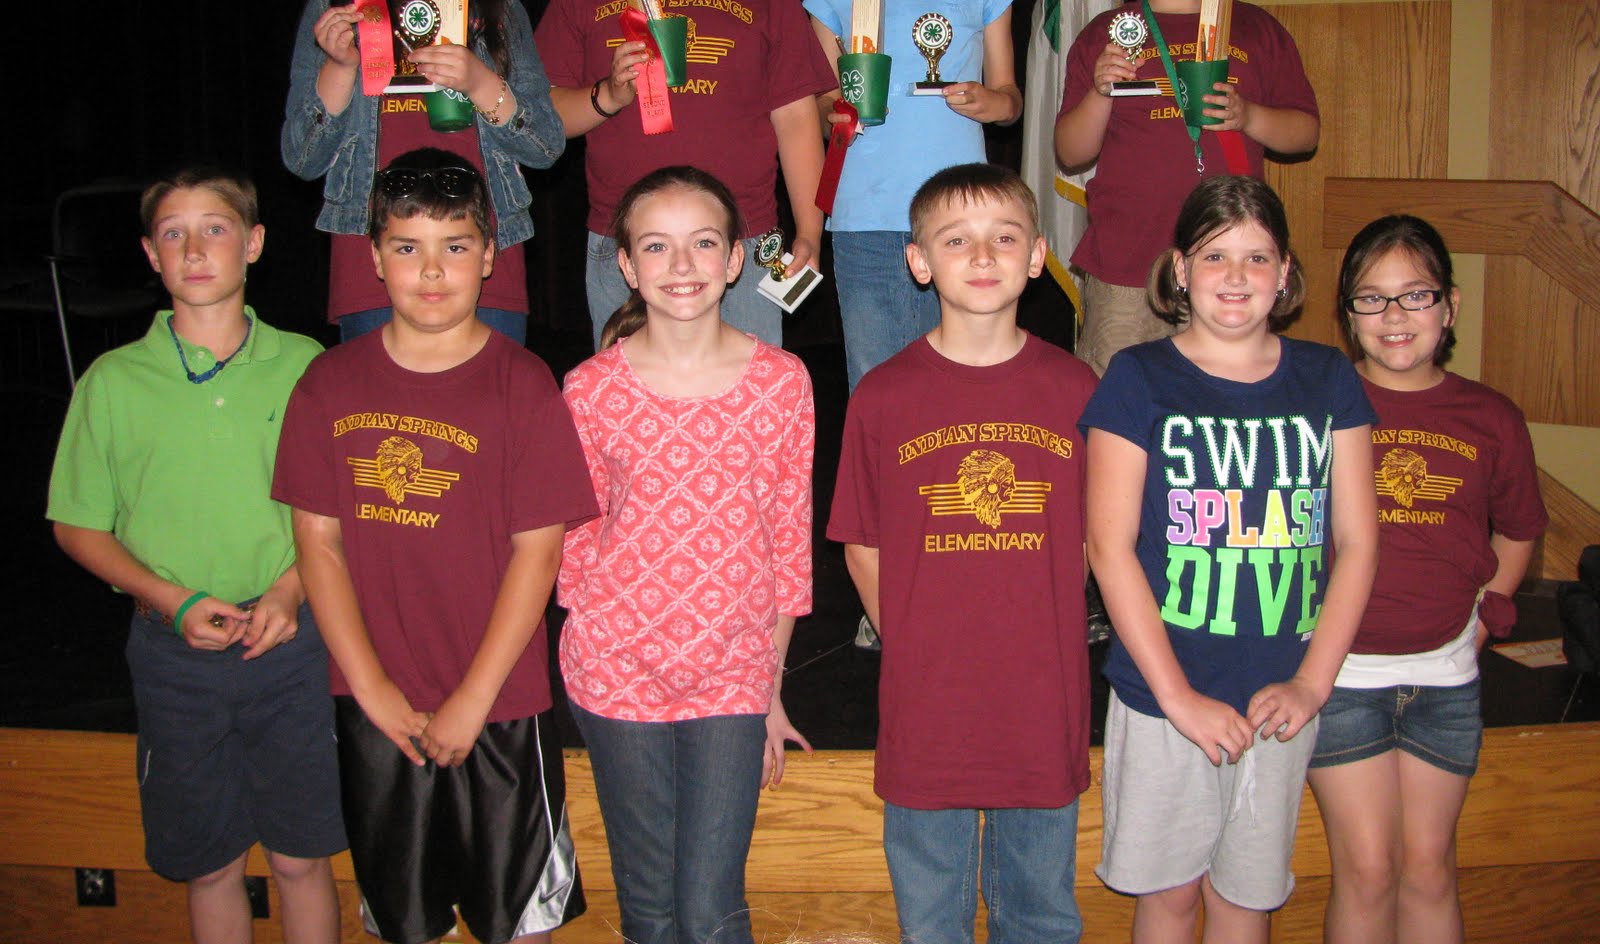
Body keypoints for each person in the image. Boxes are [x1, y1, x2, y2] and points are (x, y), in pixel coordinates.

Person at [272, 149, 596, 944]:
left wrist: (474, 699)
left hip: (500, 707)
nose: (432, 271)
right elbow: (317, 544)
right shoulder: (326, 386)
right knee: (404, 919)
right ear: (373, 255)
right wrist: (372, 687)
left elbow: (538, 554)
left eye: (455, 246)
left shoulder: (523, 385)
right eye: (407, 247)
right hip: (378, 707)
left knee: (515, 922)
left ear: (490, 254)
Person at [1079, 175, 1378, 944]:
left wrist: (1313, 682)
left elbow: (1359, 542)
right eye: (1215, 257)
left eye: (1257, 257)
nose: (1237, 277)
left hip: (1280, 700)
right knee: (1171, 899)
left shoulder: (1329, 379)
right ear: (1179, 270)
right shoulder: (1137, 378)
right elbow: (1107, 548)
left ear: (1285, 273)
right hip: (1163, 698)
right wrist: (1176, 696)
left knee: (1249, 900)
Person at [47, 167, 342, 944]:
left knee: (300, 858)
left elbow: (342, 508)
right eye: (173, 233)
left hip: (293, 646)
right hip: (172, 655)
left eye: (214, 228)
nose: (195, 248)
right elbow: (78, 526)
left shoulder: (308, 364)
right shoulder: (111, 382)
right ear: (151, 255)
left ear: (253, 243)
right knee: (209, 864)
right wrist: (171, 600)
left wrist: (289, 592)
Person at [829, 163, 1096, 944]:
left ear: (1038, 254)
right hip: (928, 705)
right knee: (932, 915)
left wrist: (1041, 629)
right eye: (957, 240)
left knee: (1041, 912)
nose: (983, 256)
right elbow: (863, 546)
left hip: (1042, 700)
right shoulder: (882, 396)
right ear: (919, 261)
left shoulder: (1076, 389)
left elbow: (1087, 540)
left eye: (1004, 238)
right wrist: (914, 649)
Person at [559, 165, 814, 944]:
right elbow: (575, 544)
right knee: (649, 909)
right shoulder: (589, 389)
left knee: (708, 912)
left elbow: (789, 548)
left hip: (733, 675)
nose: (682, 266)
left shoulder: (783, 382)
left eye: (703, 243)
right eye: (658, 247)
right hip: (616, 669)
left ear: (736, 258)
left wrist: (768, 688)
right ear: (627, 266)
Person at [1307, 215, 1546, 944]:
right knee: (1370, 868)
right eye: (1372, 300)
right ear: (1348, 314)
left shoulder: (1490, 417)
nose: (1395, 318)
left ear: (1451, 306)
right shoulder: (1316, 403)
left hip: (1445, 678)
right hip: (1341, 676)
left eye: (1415, 296)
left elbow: (1520, 528)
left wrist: (1492, 608)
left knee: (1431, 867)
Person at [535, 0, 835, 349]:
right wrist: (608, 95)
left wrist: (810, 229)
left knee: (747, 414)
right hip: (622, 245)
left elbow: (795, 118)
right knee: (628, 417)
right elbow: (541, 121)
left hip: (744, 242)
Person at [282, 0, 566, 344]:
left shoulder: (498, 10)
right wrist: (341, 66)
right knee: (382, 422)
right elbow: (301, 158)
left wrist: (481, 83)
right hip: (371, 261)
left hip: (486, 256)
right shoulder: (337, 7)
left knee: (484, 422)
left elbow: (546, 146)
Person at [1054, 0, 1319, 376]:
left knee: (1225, 404)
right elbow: (1070, 151)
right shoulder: (1107, 33)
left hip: (1232, 264)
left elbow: (1305, 133)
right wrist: (1101, 91)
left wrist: (1249, 115)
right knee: (1117, 406)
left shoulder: (1255, 29)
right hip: (1126, 265)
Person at [804, 0, 1021, 393]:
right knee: (878, 387)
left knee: (965, 383)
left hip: (962, 215)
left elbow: (1011, 101)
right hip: (865, 215)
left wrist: (988, 101)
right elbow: (818, 109)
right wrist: (840, 108)